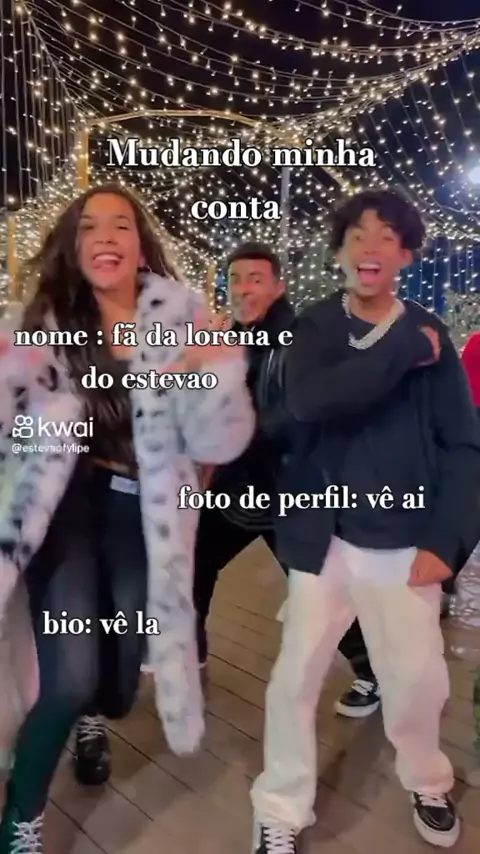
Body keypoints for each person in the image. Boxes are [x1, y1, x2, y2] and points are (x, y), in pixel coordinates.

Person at [0, 183, 254, 853]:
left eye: (121, 225)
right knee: (72, 675)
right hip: (62, 513)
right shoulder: (45, 320)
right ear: (74, 244)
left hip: (140, 515)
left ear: (141, 245)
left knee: (116, 688)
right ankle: (22, 815)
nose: (106, 236)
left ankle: (92, 718)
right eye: (90, 226)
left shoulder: (182, 318)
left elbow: (219, 442)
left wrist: (215, 372)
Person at [250, 188, 480, 852]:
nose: (369, 247)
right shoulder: (318, 328)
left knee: (417, 681)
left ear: (406, 254)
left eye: (386, 236)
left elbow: (463, 444)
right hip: (321, 539)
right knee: (295, 677)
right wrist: (401, 352)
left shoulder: (432, 333)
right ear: (340, 251)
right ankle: (278, 807)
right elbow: (312, 401)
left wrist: (447, 540)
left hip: (403, 544)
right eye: (357, 234)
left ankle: (427, 779)